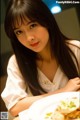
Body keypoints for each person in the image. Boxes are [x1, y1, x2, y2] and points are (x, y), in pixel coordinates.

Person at [1, 0, 80, 117]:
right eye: (19, 32)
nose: (29, 38)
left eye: (32, 25)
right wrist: (63, 92)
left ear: (47, 21)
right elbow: (14, 107)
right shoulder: (17, 62)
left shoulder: (75, 49)